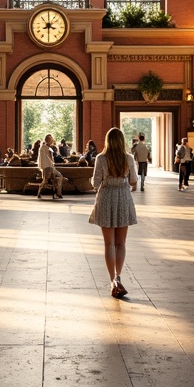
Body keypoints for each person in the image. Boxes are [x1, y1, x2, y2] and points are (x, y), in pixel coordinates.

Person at [89, 127, 138, 298]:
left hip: (106, 197)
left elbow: (95, 183)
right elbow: (133, 181)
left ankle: (112, 281)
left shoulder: (101, 158)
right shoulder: (129, 158)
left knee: (109, 244)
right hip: (123, 198)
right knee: (121, 243)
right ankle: (118, 277)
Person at [37, 134, 65, 199]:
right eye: (49, 139)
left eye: (51, 139)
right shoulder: (43, 147)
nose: (51, 140)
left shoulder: (49, 147)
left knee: (59, 176)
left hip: (51, 166)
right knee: (45, 181)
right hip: (46, 167)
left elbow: (52, 157)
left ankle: (58, 192)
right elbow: (46, 158)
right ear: (46, 140)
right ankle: (39, 191)